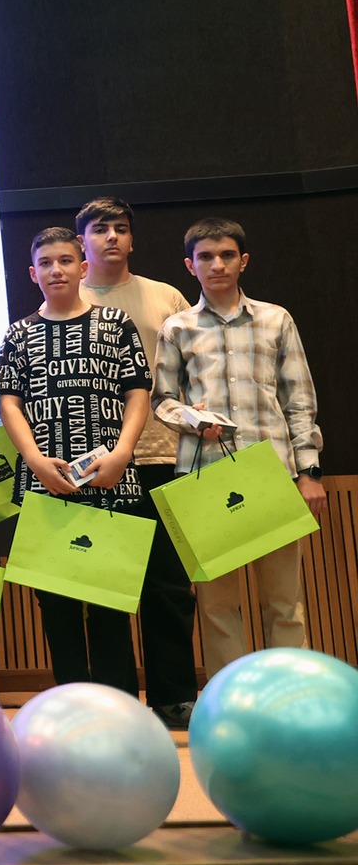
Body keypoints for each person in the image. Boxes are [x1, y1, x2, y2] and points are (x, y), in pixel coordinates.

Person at [153, 217, 324, 671]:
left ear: (243, 261)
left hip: (275, 473)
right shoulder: (176, 327)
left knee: (284, 600)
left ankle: (290, 693)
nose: (217, 264)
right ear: (190, 266)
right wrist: (193, 420)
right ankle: (232, 699)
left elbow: (299, 401)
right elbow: (162, 400)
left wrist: (309, 473)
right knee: (216, 603)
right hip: (206, 476)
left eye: (227, 255)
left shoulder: (276, 319)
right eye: (206, 257)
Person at [0, 227, 151, 697]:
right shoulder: (19, 333)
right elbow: (9, 404)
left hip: (111, 481)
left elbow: (138, 393)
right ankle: (71, 707)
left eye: (65, 260)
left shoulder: (116, 323)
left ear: (83, 267)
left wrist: (122, 452)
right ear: (33, 273)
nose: (56, 270)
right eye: (46, 263)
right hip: (44, 485)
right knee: (57, 607)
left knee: (109, 605)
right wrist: (34, 460)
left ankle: (118, 707)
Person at [75, 197, 198, 727]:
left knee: (168, 586)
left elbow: (192, 372)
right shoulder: (68, 296)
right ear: (81, 241)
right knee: (105, 587)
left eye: (121, 228)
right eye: (100, 229)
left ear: (132, 238)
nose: (112, 237)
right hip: (97, 468)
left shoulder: (166, 296)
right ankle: (118, 700)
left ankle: (174, 696)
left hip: (165, 455)